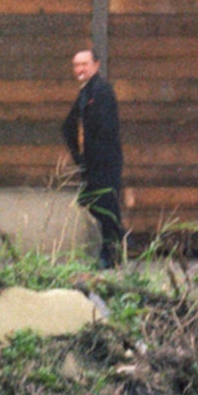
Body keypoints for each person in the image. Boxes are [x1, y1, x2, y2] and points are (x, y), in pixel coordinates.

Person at [62, 45, 125, 267]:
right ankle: (110, 252)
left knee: (106, 206)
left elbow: (104, 128)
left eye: (84, 64)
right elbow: (68, 125)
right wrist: (78, 157)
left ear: (95, 65)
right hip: (91, 161)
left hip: (105, 160)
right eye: (76, 65)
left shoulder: (101, 90)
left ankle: (112, 255)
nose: (80, 69)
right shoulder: (86, 91)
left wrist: (92, 156)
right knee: (93, 202)